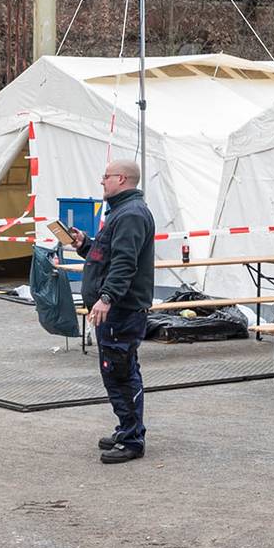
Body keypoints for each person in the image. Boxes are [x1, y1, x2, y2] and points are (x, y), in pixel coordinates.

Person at [72, 158, 157, 463]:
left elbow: (124, 263)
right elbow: (109, 254)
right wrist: (85, 245)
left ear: (121, 179)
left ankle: (132, 439)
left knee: (119, 372)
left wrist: (107, 297)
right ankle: (127, 430)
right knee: (119, 370)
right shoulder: (122, 211)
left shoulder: (130, 214)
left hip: (121, 309)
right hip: (118, 308)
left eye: (106, 176)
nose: (102, 181)